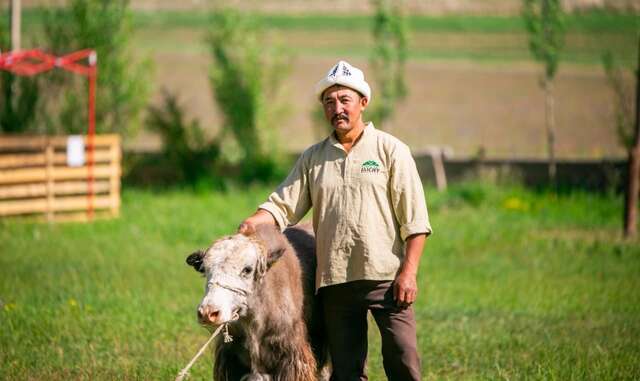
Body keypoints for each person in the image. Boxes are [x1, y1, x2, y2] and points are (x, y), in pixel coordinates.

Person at [239, 60, 432, 381]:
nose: (337, 108)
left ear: (363, 103)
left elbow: (415, 221)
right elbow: (282, 205)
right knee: (344, 370)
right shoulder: (313, 157)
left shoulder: (390, 150)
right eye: (329, 102)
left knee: (403, 358)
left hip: (387, 277)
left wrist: (408, 273)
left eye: (345, 100)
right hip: (335, 281)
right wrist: (255, 221)